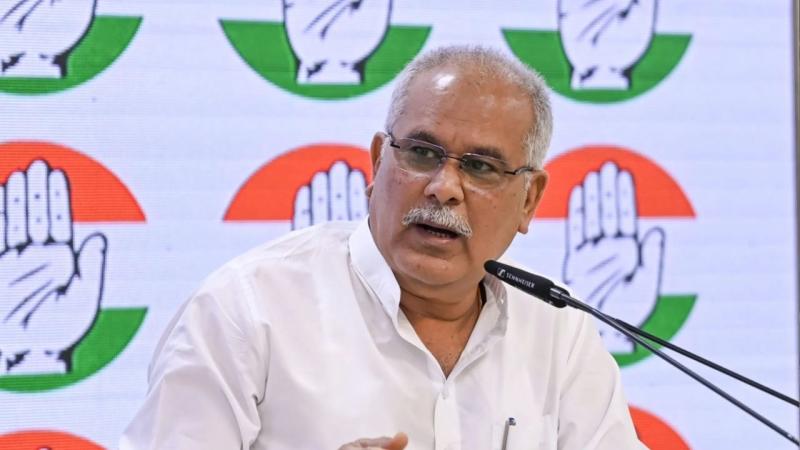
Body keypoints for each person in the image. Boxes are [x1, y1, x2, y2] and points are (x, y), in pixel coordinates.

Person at [120, 45, 645, 450]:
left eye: (480, 166)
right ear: (377, 163)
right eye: (422, 153)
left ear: (529, 199)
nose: (444, 187)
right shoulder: (246, 309)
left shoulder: (557, 327)